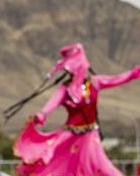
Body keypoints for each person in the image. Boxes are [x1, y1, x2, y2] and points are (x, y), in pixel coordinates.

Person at [7, 43, 140, 176]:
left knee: (102, 167)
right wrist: (40, 116)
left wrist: (135, 73)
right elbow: (51, 104)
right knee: (57, 166)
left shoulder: (94, 82)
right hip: (69, 136)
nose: (71, 71)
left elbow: (117, 79)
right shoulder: (66, 88)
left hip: (90, 137)